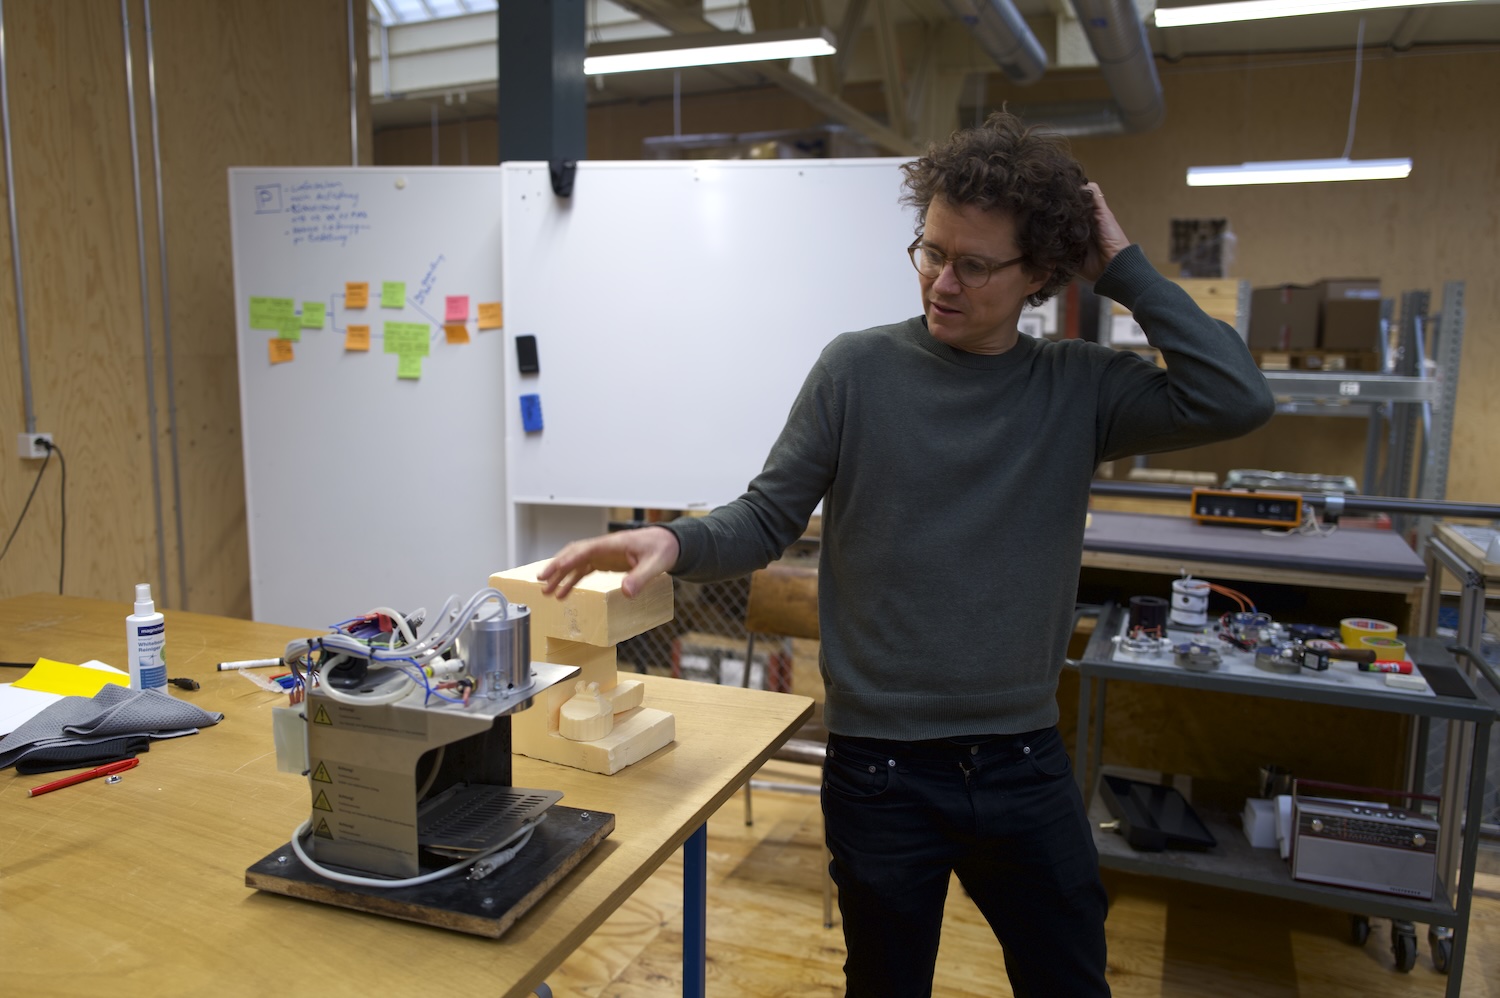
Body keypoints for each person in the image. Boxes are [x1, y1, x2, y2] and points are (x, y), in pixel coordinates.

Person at [537, 112, 1274, 997]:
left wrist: (1122, 269)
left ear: (1040, 273)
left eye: (975, 265)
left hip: (1024, 760)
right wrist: (673, 537)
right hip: (881, 771)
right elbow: (766, 518)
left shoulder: (1079, 386)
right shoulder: (857, 370)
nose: (942, 282)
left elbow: (1237, 397)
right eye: (930, 251)